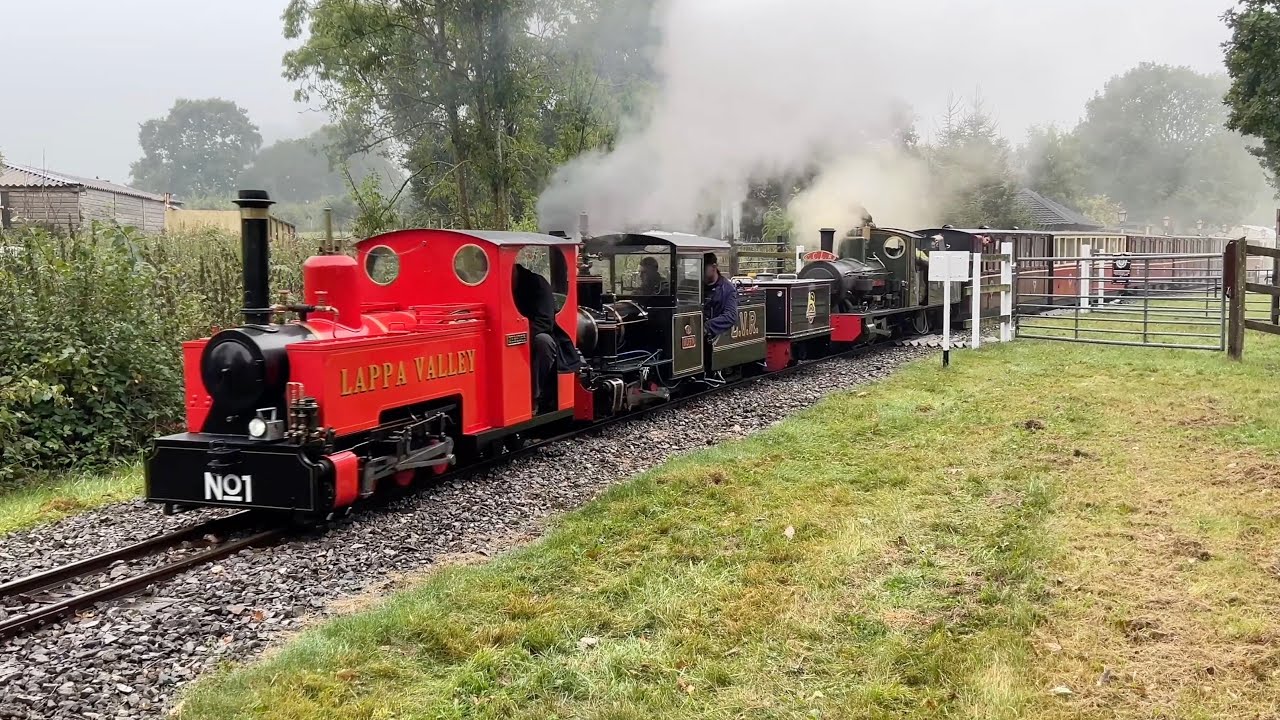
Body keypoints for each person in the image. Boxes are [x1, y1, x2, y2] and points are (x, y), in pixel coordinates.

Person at [513, 263, 583, 413]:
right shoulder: (501, 285)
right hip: (510, 336)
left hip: (539, 334)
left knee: (543, 342)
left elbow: (544, 322)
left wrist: (522, 338)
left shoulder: (537, 284)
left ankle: (535, 396)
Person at [702, 253, 738, 343]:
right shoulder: (693, 285)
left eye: (703, 268)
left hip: (711, 337)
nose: (700, 272)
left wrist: (707, 327)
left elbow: (730, 316)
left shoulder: (727, 289)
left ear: (714, 267)